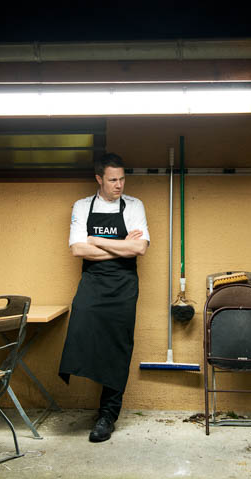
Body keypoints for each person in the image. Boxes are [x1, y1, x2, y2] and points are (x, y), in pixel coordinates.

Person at [58, 153, 150, 442]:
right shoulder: (82, 206)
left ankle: (107, 415)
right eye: (112, 180)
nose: (119, 185)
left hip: (124, 286)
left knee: (118, 346)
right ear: (99, 179)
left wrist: (96, 240)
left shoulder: (134, 205)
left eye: (122, 179)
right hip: (93, 282)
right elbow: (78, 250)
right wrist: (121, 246)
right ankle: (94, 390)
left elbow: (139, 249)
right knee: (80, 331)